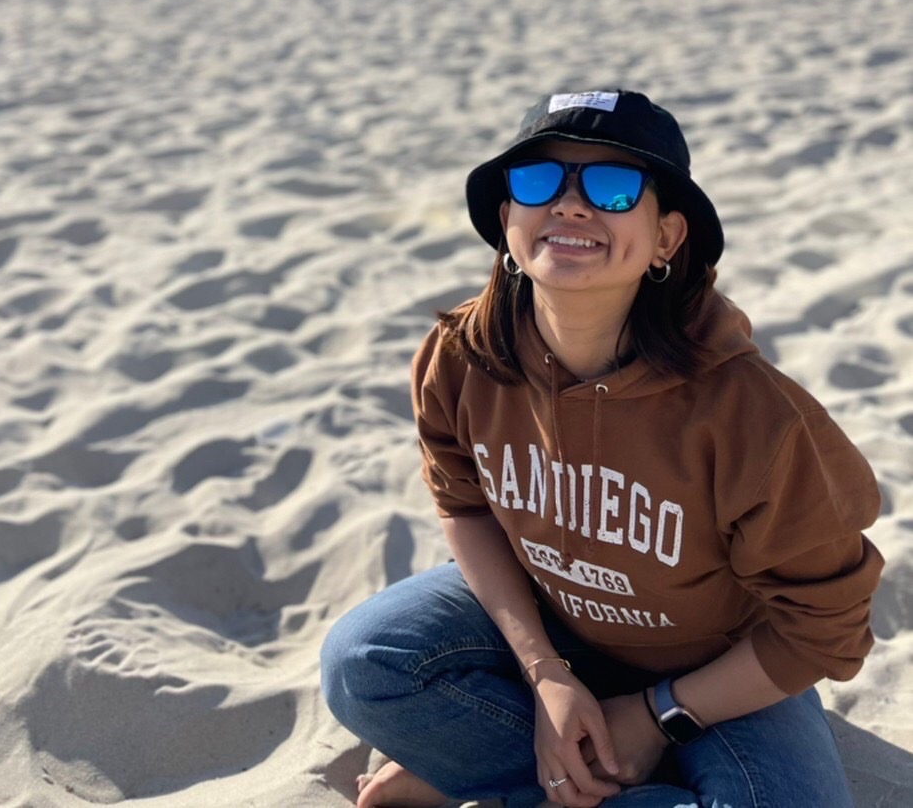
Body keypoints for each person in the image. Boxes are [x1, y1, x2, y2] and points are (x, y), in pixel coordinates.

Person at [322, 90, 882, 808]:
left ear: (667, 238)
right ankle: (549, 762)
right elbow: (465, 508)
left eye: (613, 187)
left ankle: (497, 773)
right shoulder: (461, 357)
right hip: (551, 624)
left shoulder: (752, 414)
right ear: (507, 218)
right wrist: (545, 675)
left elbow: (826, 630)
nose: (570, 205)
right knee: (363, 661)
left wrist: (658, 715)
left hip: (715, 671)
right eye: (538, 182)